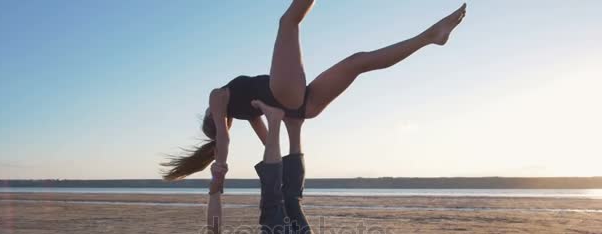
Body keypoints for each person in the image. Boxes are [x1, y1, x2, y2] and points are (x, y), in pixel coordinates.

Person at [162, 1, 468, 190]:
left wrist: (282, 169)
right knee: (288, 22)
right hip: (285, 94)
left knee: (358, 62)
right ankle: (429, 37)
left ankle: (430, 37)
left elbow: (269, 142)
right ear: (211, 117)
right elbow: (226, 141)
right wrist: (219, 172)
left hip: (301, 107)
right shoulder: (218, 96)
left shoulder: (248, 113)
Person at [190, 103, 324, 234]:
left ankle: (294, 127)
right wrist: (214, 190)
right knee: (271, 206)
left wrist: (254, 120)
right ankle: (276, 122)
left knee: (291, 202)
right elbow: (214, 230)